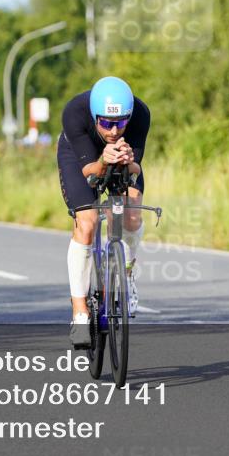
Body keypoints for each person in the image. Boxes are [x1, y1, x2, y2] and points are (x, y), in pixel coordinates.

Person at [56, 76, 150, 348]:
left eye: (121, 122)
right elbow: (90, 174)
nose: (114, 130)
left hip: (120, 157)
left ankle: (126, 274)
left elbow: (135, 170)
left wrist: (128, 161)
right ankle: (80, 312)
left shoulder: (140, 114)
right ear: (95, 115)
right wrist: (104, 160)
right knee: (87, 223)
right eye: (107, 123)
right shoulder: (75, 112)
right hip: (81, 157)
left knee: (130, 214)